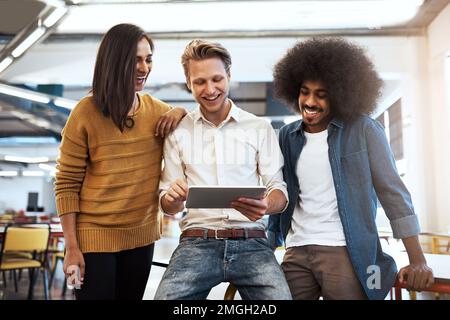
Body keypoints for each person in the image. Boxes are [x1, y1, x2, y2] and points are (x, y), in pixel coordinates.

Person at [268, 37, 434, 300]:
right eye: (304, 91)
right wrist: (269, 246)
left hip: (346, 251)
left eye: (321, 95)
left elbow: (393, 194)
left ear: (340, 95)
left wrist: (417, 259)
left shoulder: (364, 130)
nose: (310, 102)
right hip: (296, 251)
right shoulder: (286, 136)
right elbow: (279, 191)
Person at [54, 23, 187, 300]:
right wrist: (72, 247)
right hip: (93, 239)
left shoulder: (158, 112)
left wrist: (181, 111)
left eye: (148, 59)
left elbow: (199, 123)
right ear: (115, 62)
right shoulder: (84, 113)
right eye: (135, 60)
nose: (144, 68)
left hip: (140, 239)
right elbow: (66, 184)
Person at [154, 39, 292, 300]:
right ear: (188, 83)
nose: (210, 89)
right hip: (196, 243)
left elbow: (279, 191)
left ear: (229, 75)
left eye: (217, 79)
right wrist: (171, 199)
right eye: (200, 82)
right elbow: (167, 204)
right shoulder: (178, 132)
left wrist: (266, 204)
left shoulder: (258, 128)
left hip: (252, 242)